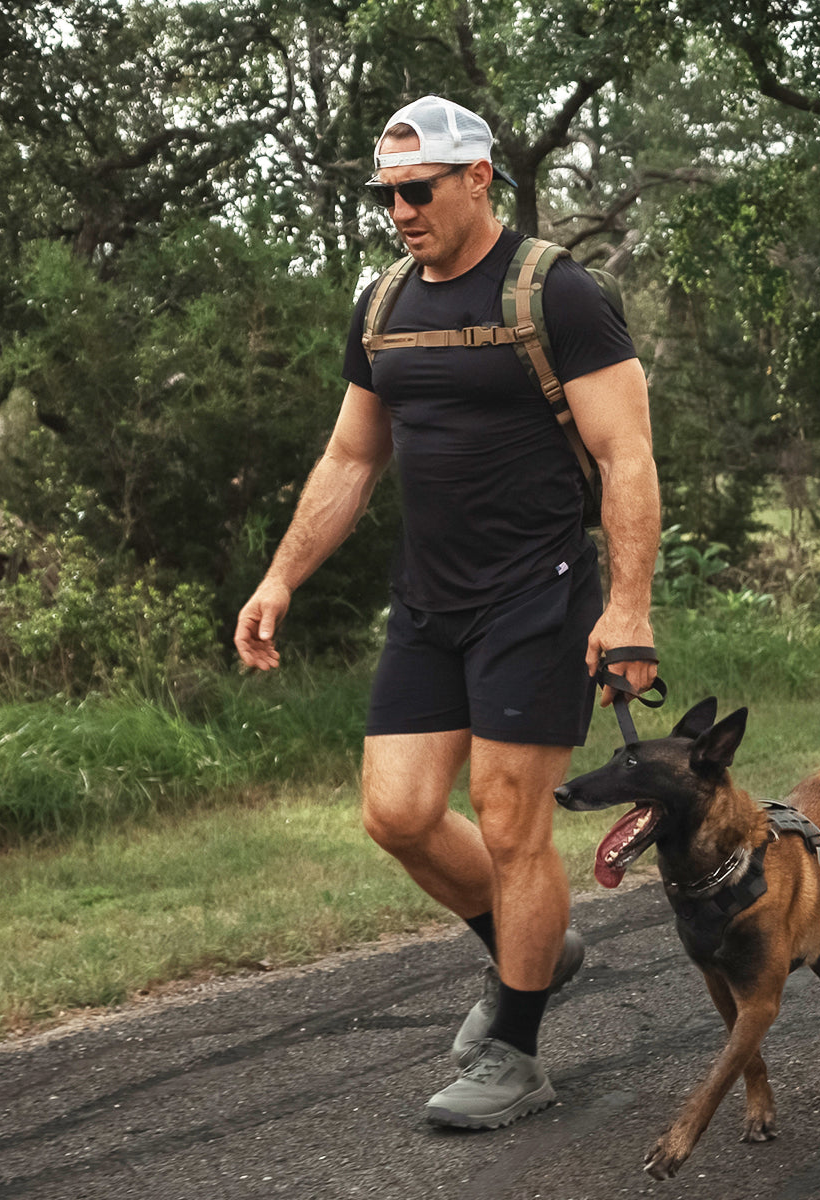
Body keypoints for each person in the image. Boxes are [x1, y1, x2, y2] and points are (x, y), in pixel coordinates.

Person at [234, 95, 660, 1130]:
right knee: (399, 813)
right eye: (387, 195)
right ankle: (535, 951)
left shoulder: (557, 295)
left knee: (513, 821)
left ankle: (515, 1052)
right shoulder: (381, 305)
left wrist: (632, 608)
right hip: (429, 604)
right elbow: (350, 457)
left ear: (479, 179)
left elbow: (626, 456)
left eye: (417, 191)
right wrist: (281, 576)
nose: (400, 211)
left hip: (540, 593)